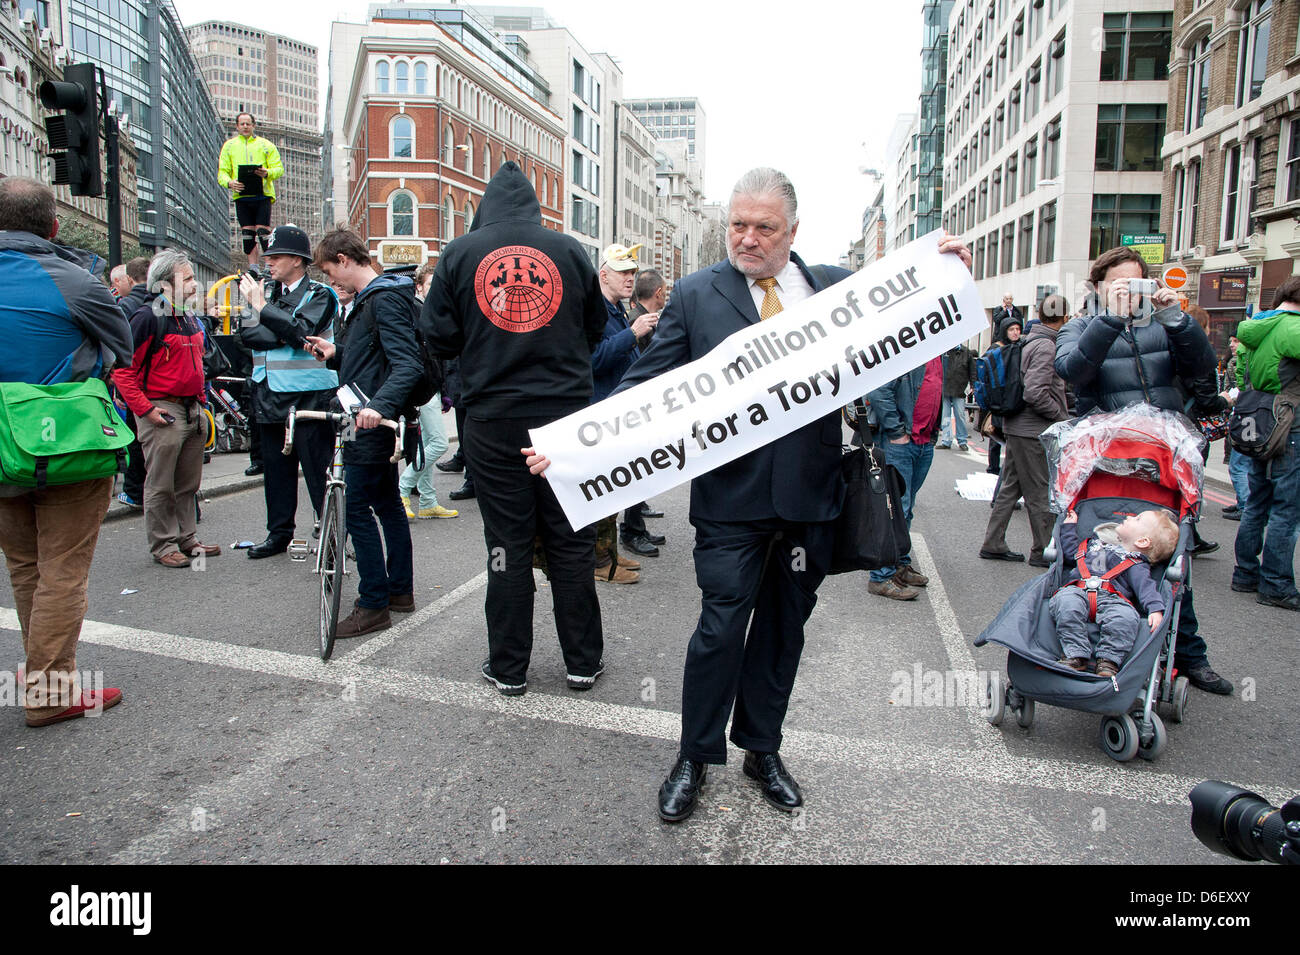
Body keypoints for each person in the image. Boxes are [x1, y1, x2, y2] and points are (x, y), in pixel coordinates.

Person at [527, 166, 971, 821]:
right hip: (730, 505)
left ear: (793, 230)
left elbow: (907, 295)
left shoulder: (830, 288)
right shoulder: (697, 296)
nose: (748, 238)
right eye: (738, 224)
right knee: (720, 628)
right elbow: (645, 386)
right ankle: (695, 755)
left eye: (764, 227)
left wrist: (945, 261)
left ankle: (762, 749)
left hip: (810, 500)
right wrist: (574, 444)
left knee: (783, 633)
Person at [424, 161, 608, 697]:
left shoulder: (459, 254)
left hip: (493, 419)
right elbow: (595, 326)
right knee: (571, 539)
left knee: (506, 544)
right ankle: (582, 662)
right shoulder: (570, 251)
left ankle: (508, 667)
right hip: (565, 418)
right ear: (533, 206)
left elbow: (436, 333)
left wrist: (483, 353)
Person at [1054, 245, 1232, 694]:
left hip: (1168, 457)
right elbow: (1073, 371)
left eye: (1138, 282)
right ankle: (1088, 640)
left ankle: (1188, 656)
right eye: (1120, 284)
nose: (1130, 293)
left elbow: (1204, 372)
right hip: (1109, 462)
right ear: (1098, 287)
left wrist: (1177, 320)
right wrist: (1109, 318)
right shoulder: (1081, 326)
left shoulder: (1165, 327)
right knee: (1101, 552)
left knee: (1171, 563)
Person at [0, 176, 134, 726]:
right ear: (54, 226)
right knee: (62, 570)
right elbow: (120, 347)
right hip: (66, 444)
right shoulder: (73, 280)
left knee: (26, 566)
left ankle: (41, 671)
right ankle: (50, 691)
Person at [309, 228, 423, 637]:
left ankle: (373, 602)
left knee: (356, 508)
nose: (329, 280)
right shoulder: (371, 301)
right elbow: (375, 359)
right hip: (370, 417)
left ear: (343, 259)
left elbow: (407, 363)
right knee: (388, 504)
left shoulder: (383, 298)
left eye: (328, 271)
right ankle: (399, 592)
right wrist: (336, 353)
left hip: (371, 421)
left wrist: (378, 406)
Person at [112, 249, 218, 567]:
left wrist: (200, 404)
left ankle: (186, 539)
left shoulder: (186, 316)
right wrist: (146, 410)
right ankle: (163, 544)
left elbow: (196, 366)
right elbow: (123, 370)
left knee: (187, 483)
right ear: (165, 284)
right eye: (187, 278)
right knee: (160, 483)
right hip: (162, 408)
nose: (194, 284)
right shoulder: (147, 317)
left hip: (189, 408)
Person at [237, 225, 338, 558]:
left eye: (276, 257)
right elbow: (248, 336)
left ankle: (334, 535)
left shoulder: (321, 295)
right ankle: (278, 534)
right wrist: (282, 327)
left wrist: (265, 312)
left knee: (318, 473)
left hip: (309, 398)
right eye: (267, 257)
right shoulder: (265, 292)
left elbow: (303, 334)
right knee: (276, 473)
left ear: (298, 260)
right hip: (267, 395)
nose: (269, 263)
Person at [980, 293, 1070, 567]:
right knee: (1039, 491)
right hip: (1032, 430)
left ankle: (993, 542)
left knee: (1010, 487)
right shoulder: (1046, 346)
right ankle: (1043, 550)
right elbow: (1035, 392)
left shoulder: (1030, 339)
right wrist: (1059, 417)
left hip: (1019, 426)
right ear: (1064, 318)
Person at [1230, 278, 1300, 611]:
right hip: (1290, 426)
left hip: (1258, 420)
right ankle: (1276, 584)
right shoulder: (1293, 329)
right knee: (1286, 509)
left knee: (1257, 501)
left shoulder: (1258, 326)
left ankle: (1245, 573)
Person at [591, 243, 658, 572]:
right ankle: (600, 560)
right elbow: (594, 360)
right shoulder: (596, 310)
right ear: (604, 274)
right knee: (603, 492)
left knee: (614, 491)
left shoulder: (615, 308)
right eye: (623, 272)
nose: (631, 278)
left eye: (633, 272)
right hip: (602, 411)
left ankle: (609, 554)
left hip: (617, 411)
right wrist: (633, 334)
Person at [1051, 508, 1176, 678]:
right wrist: (1069, 527)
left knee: (1126, 617)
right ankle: (1075, 653)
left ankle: (1109, 660)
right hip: (1078, 589)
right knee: (1065, 601)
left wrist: (1155, 608)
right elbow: (1071, 553)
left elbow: (1146, 588)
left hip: (1113, 599)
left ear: (1142, 541)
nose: (1130, 516)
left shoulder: (1136, 563)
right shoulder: (1095, 545)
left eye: (1137, 519)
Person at [865, 353, 945, 601]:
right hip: (901, 442)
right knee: (893, 508)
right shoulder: (911, 347)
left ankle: (899, 565)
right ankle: (881, 576)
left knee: (904, 510)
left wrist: (931, 434)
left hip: (922, 441)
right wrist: (897, 432)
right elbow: (879, 391)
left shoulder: (941, 353)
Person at [399, 261, 457, 520]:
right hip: (422, 389)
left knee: (426, 445)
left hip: (431, 388)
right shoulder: (417, 311)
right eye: (430, 285)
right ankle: (402, 488)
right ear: (419, 287)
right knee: (439, 443)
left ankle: (429, 501)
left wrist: (443, 390)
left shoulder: (430, 312)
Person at [620, 268, 670, 549]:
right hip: (636, 406)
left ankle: (636, 525)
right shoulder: (638, 322)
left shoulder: (640, 318)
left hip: (641, 404)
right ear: (659, 292)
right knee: (636, 469)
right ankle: (631, 531)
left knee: (642, 469)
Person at [217, 112, 284, 266]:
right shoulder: (229, 146)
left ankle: (269, 265)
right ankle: (253, 267)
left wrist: (267, 173)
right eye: (242, 124)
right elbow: (222, 172)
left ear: (254, 125)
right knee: (247, 235)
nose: (245, 126)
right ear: (237, 126)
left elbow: (279, 168)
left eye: (248, 123)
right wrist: (230, 183)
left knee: (263, 233)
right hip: (242, 196)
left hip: (263, 194)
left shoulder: (266, 145)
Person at [1223, 335, 1250, 519]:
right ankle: (1243, 502)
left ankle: (1245, 505)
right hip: (1245, 415)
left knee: (1239, 464)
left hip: (1247, 417)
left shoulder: (1243, 360)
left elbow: (1242, 389)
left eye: (1236, 341)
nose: (1232, 345)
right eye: (1231, 341)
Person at [937, 342, 976, 450]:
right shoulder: (944, 351)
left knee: (960, 416)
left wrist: (973, 385)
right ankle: (946, 440)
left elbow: (972, 370)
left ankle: (962, 440)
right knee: (945, 416)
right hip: (945, 388)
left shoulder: (966, 352)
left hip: (959, 388)